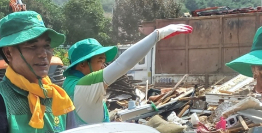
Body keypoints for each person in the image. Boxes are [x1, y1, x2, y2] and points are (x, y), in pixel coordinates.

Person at [62, 23, 192, 126]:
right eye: (99, 61)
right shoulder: (85, 85)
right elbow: (122, 64)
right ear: (82, 64)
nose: (103, 66)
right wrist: (157, 35)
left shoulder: (68, 83)